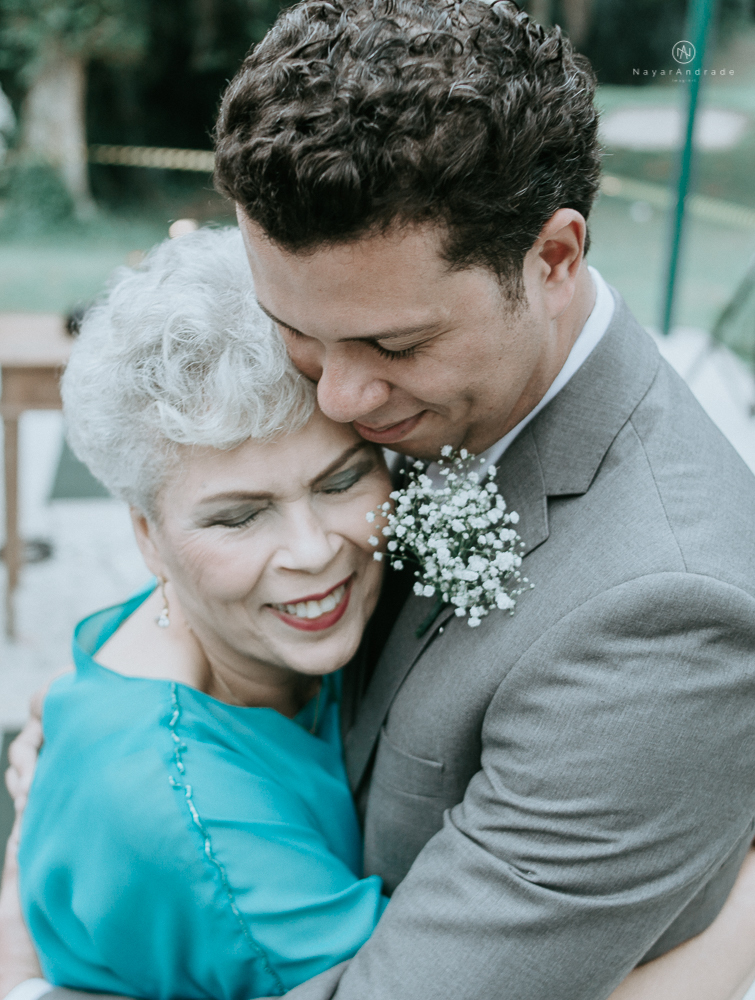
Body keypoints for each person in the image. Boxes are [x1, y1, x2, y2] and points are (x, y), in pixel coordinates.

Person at [3, 0, 755, 998]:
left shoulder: (660, 616)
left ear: (554, 259)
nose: (339, 399)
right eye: (297, 335)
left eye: (394, 347)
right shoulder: (430, 398)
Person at [9, 227, 391, 999]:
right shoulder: (199, 822)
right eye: (238, 517)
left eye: (341, 480)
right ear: (147, 537)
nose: (313, 550)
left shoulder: (222, 623)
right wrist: (715, 917)